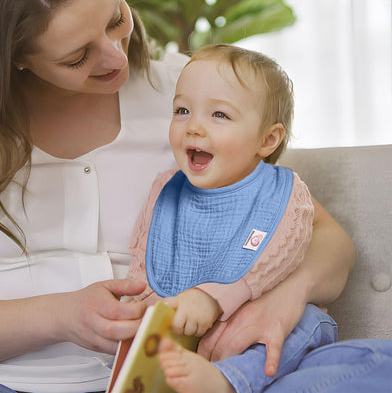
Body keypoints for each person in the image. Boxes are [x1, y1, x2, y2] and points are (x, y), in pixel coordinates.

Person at [0, 0, 354, 392]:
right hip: (2, 379)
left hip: (183, 374)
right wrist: (59, 315)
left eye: (116, 18)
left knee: (370, 364)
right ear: (17, 57)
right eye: (77, 57)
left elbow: (317, 232)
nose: (115, 56)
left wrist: (283, 301)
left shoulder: (194, 92)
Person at [125, 44, 337, 392]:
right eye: (182, 110)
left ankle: (229, 380)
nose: (193, 126)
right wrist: (145, 310)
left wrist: (211, 298)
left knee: (309, 323)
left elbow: (276, 253)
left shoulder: (280, 194)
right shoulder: (167, 188)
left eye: (219, 115)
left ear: (268, 139)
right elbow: (147, 253)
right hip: (190, 332)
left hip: (258, 324)